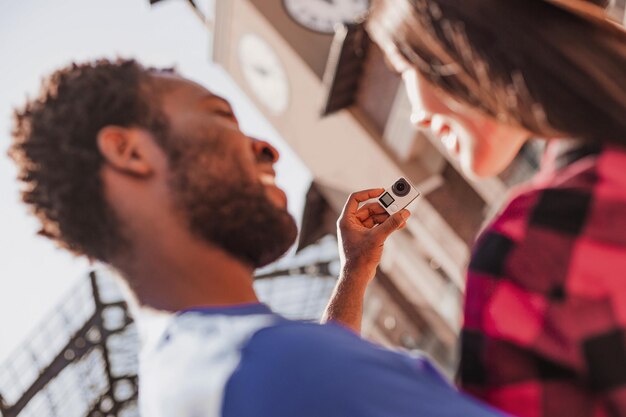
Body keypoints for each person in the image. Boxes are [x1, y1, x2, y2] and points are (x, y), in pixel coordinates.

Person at [9, 60, 505, 416]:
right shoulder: (271, 368)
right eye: (220, 115)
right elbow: (308, 372)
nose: (267, 149)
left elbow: (319, 368)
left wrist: (355, 272)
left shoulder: (185, 376)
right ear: (128, 151)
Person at [325, 0, 626, 416]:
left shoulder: (525, 252)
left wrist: (352, 277)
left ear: (463, 40)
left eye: (403, 68)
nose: (416, 117)